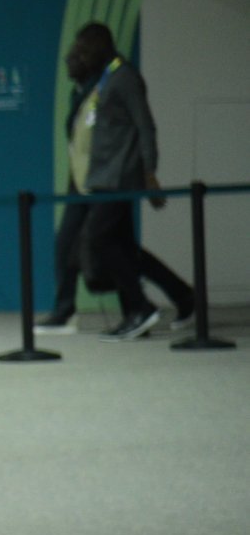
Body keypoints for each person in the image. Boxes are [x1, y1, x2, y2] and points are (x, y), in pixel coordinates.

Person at [37, 22, 193, 341]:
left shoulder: (124, 77)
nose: (79, 55)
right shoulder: (104, 80)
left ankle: (141, 307)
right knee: (122, 248)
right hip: (99, 179)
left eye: (84, 48)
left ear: (101, 46)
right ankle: (158, 306)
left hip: (118, 178)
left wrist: (150, 175)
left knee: (98, 240)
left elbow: (145, 127)